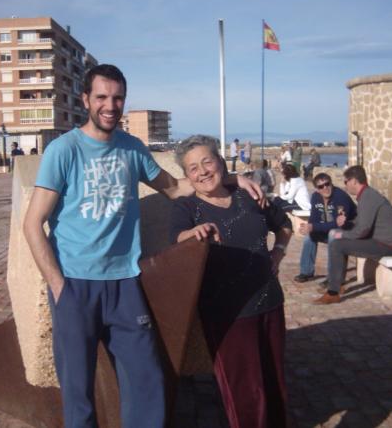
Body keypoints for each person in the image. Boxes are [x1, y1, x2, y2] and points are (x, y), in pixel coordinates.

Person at [23, 64, 264, 428]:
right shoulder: (64, 150)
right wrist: (59, 287)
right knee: (78, 390)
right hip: (75, 284)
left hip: (125, 283)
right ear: (85, 99)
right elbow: (32, 224)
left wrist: (231, 178)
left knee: (146, 381)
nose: (110, 106)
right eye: (101, 97)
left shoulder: (132, 149)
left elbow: (176, 188)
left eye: (117, 98)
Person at [169, 134, 291, 428]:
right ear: (187, 176)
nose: (202, 172)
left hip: (269, 303)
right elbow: (176, 239)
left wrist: (278, 252)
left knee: (274, 382)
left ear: (221, 163)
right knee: (244, 393)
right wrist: (194, 234)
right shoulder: (186, 209)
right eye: (193, 168)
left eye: (207, 162)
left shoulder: (248, 195)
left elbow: (284, 225)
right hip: (226, 314)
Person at [314, 165, 392, 305]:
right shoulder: (367, 194)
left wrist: (343, 235)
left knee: (337, 244)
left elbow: (363, 230)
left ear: (354, 181)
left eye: (346, 182)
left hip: (386, 245)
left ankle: (333, 293)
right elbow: (362, 222)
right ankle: (337, 284)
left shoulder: (368, 197)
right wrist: (346, 224)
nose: (345, 185)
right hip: (381, 240)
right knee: (339, 240)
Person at [294, 173, 357, 283]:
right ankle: (306, 272)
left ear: (331, 184)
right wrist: (308, 227)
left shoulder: (341, 197)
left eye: (327, 184)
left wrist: (313, 226)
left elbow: (339, 224)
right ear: (317, 189)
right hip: (331, 229)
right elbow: (314, 219)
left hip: (350, 231)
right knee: (309, 237)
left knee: (334, 236)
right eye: (321, 186)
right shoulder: (315, 197)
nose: (325, 188)